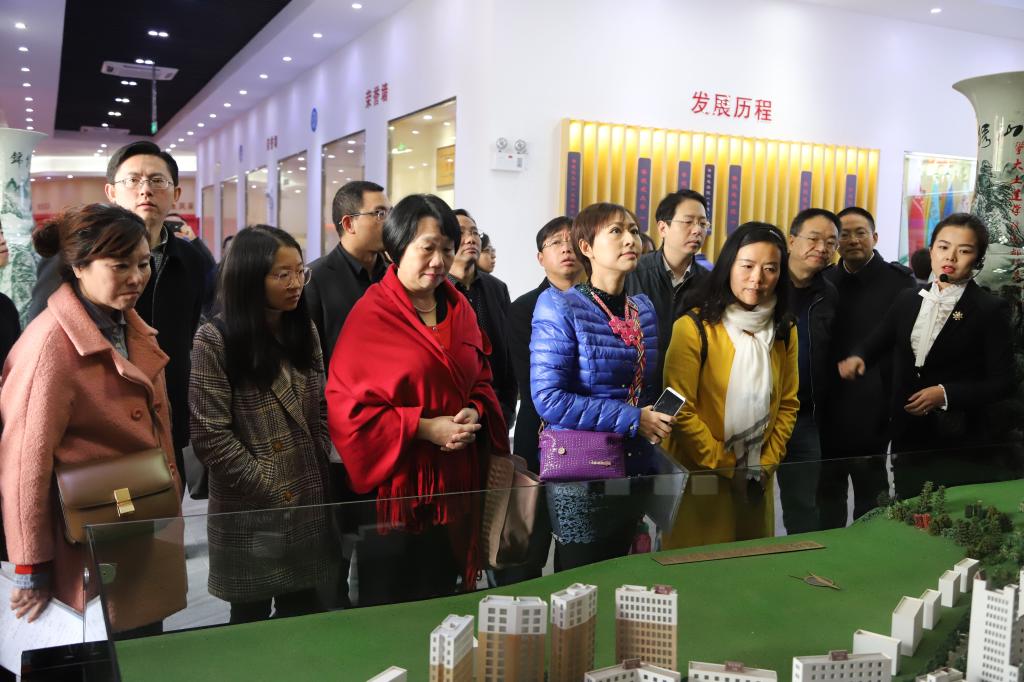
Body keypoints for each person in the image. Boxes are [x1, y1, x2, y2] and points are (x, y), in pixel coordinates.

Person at [1, 204, 185, 632]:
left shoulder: (129, 327)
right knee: (102, 650)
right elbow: (24, 464)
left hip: (140, 520)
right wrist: (30, 565)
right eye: (120, 266)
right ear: (79, 267)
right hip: (87, 539)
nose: (136, 277)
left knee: (143, 645)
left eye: (144, 263)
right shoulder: (50, 345)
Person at [327, 194, 509, 604]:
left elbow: (481, 378)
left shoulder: (460, 310)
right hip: (396, 495)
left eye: (447, 249)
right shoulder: (371, 316)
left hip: (457, 487)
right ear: (397, 248)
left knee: (444, 598)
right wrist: (426, 428)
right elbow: (348, 411)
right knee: (392, 604)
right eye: (427, 248)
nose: (439, 261)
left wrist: (474, 409)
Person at [189, 225, 331, 624]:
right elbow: (210, 437)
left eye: (300, 271)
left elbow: (321, 405)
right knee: (249, 621)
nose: (295, 284)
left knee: (303, 615)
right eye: (281, 274)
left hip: (307, 496)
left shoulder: (303, 328)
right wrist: (270, 482)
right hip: (251, 507)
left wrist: (318, 452)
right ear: (250, 278)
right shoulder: (214, 339)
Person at [531, 202, 671, 570]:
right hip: (581, 471)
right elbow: (549, 399)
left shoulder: (642, 310)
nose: (630, 239)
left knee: (624, 575)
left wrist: (654, 419)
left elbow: (645, 387)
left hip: (633, 465)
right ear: (586, 247)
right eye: (616, 231)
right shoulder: (559, 306)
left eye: (633, 230)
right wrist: (633, 419)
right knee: (579, 580)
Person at [838, 213, 1014, 498]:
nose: (951, 257)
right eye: (943, 247)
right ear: (931, 251)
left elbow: (1003, 382)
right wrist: (859, 357)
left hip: (960, 438)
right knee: (909, 508)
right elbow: (878, 340)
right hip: (908, 434)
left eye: (964, 251)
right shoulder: (908, 298)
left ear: (978, 260)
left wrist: (945, 394)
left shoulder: (989, 309)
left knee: (951, 512)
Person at [662, 221, 798, 549]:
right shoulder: (694, 326)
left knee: (749, 565)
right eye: (747, 266)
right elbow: (677, 408)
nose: (757, 278)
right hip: (700, 476)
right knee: (697, 566)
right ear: (728, 267)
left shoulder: (784, 329)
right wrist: (727, 466)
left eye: (770, 269)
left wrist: (764, 465)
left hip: (755, 478)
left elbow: (788, 404)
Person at [305, 180, 390, 607]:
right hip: (338, 433)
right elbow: (309, 360)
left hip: (389, 428)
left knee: (380, 540)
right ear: (348, 222)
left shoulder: (394, 274)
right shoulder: (317, 279)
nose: (387, 221)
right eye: (379, 214)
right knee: (336, 543)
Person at [495, 216, 583, 586]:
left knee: (578, 549)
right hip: (538, 436)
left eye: (572, 241)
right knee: (527, 546)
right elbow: (532, 384)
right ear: (540, 257)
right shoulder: (524, 308)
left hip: (588, 442)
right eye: (555, 243)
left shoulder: (601, 303)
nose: (566, 248)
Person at [819, 207, 916, 528]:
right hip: (829, 402)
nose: (852, 240)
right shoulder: (825, 281)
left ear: (874, 237)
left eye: (860, 233)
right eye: (844, 234)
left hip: (876, 405)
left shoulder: (899, 283)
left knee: (871, 494)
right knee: (827, 492)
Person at [778, 209, 839, 535]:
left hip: (804, 417)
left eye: (831, 242)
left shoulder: (829, 293)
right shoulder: (766, 281)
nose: (823, 248)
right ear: (791, 240)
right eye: (814, 239)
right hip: (759, 414)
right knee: (743, 502)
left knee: (803, 505)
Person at [627, 189, 711, 393]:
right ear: (663, 228)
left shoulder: (710, 283)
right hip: (637, 391)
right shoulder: (633, 273)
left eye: (702, 224)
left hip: (688, 390)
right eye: (688, 222)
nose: (697, 230)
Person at [448, 209, 517, 426]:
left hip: (496, 406)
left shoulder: (497, 288)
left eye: (474, 232)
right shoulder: (435, 289)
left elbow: (508, 351)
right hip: (452, 413)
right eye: (461, 232)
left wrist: (507, 408)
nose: (470, 239)